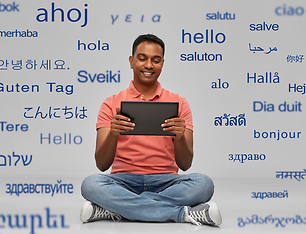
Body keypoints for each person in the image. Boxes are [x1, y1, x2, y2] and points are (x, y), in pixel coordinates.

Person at [80, 34, 222, 226]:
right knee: (90, 184)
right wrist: (114, 133)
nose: (149, 65)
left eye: (156, 60)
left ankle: (116, 209)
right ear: (131, 61)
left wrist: (179, 137)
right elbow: (102, 164)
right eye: (142, 58)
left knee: (204, 184)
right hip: (123, 182)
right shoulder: (110, 103)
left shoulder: (179, 103)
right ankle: (182, 214)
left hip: (166, 183)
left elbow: (186, 164)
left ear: (162, 63)